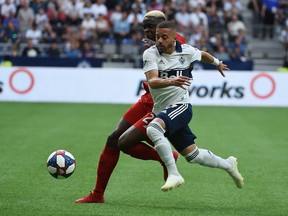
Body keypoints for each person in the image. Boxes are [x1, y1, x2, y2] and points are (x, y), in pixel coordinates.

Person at [75, 10, 184, 204]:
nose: (146, 31)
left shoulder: (175, 40)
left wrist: (159, 45)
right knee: (113, 139)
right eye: (145, 27)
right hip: (148, 98)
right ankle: (98, 194)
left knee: (124, 143)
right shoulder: (152, 45)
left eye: (151, 26)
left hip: (161, 104)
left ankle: (166, 156)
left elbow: (180, 52)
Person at [142, 21, 244, 191]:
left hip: (181, 106)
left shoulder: (186, 51)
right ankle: (228, 165)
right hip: (162, 110)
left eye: (164, 37)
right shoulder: (150, 54)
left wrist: (217, 62)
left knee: (153, 129)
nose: (159, 40)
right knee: (193, 155)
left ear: (174, 38)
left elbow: (203, 55)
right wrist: (172, 80)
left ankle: (174, 174)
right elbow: (152, 81)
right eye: (158, 37)